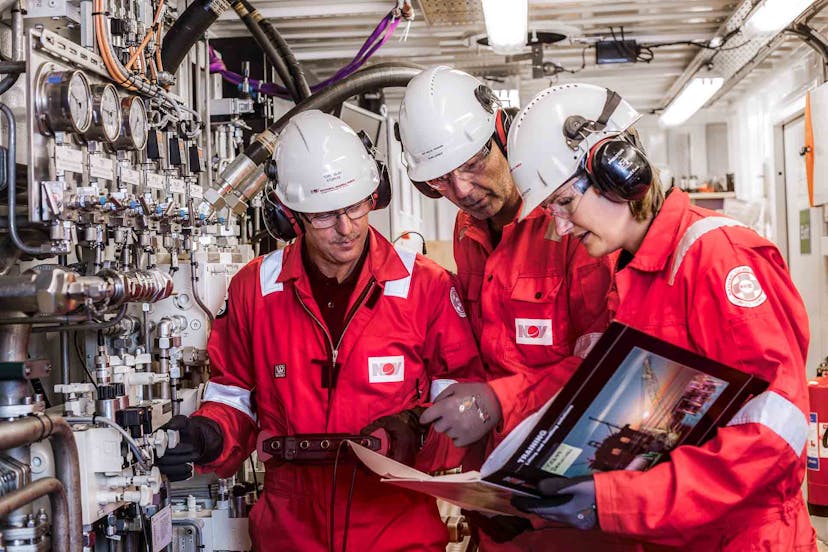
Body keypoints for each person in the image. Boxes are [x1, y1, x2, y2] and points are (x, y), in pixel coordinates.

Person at [506, 82, 816, 550]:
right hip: (675, 535)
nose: (561, 226)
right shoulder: (630, 275)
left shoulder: (717, 257)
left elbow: (774, 435)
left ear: (619, 172)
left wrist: (622, 499)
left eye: (565, 203)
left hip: (747, 538)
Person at [157, 110, 484, 551]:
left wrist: (417, 432)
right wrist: (209, 434)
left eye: (355, 206)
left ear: (376, 194)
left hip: (395, 528)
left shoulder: (426, 286)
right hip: (290, 533)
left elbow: (465, 406)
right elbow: (232, 394)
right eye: (325, 216)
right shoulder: (255, 289)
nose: (346, 228)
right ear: (291, 216)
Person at [397, 66, 619, 550]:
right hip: (501, 492)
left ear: (501, 132)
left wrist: (499, 402)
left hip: (575, 493)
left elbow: (607, 372)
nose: (462, 190)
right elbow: (485, 361)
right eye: (439, 180)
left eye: (472, 164)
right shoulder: (466, 231)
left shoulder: (571, 223)